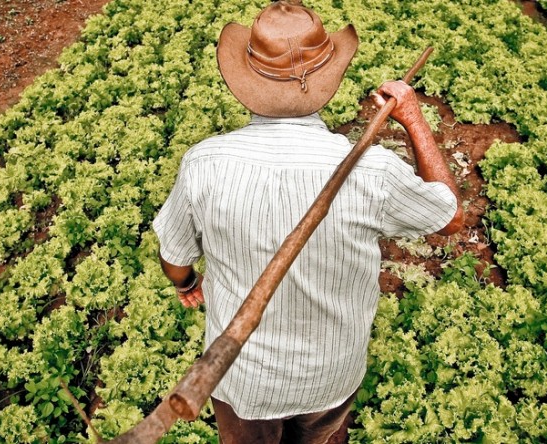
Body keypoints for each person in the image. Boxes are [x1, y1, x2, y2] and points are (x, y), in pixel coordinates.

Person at [152, 1, 464, 442]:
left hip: (242, 381)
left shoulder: (204, 163)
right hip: (330, 377)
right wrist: (412, 118)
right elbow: (450, 215)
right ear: (328, 78)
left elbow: (175, 258)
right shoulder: (374, 171)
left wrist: (186, 284)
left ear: (245, 78)